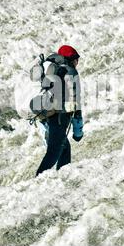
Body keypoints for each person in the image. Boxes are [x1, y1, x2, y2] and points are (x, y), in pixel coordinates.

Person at [36, 45, 84, 176]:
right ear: (71, 59)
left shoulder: (49, 68)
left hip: (44, 115)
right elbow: (76, 105)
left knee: (64, 149)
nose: (77, 63)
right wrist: (78, 132)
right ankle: (37, 182)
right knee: (53, 153)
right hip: (58, 118)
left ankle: (61, 180)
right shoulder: (70, 72)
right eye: (76, 59)